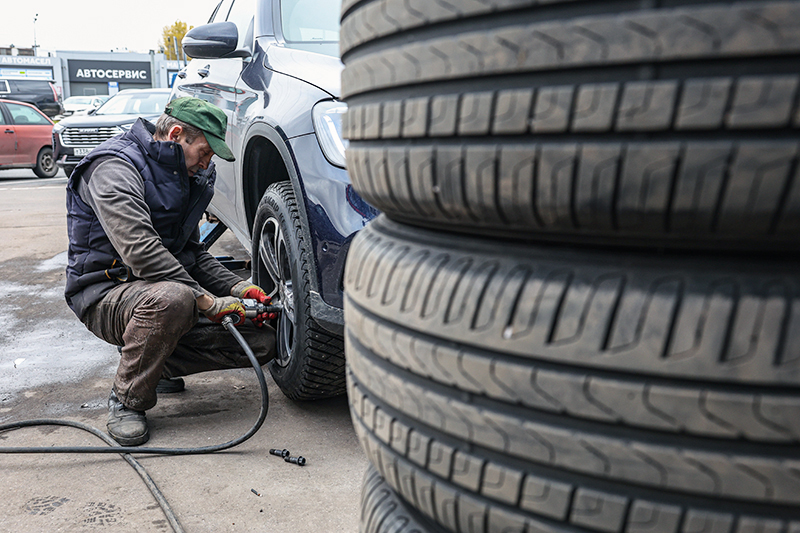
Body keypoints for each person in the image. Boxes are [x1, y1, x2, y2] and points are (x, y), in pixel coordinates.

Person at [64, 97, 276, 446]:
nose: (208, 163)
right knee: (173, 299)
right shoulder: (113, 167)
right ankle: (128, 399)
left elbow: (190, 253)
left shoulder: (182, 177)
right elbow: (141, 252)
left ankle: (151, 361)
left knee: (261, 341)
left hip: (156, 295)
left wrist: (239, 289)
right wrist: (207, 302)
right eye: (205, 152)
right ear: (177, 134)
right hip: (105, 293)